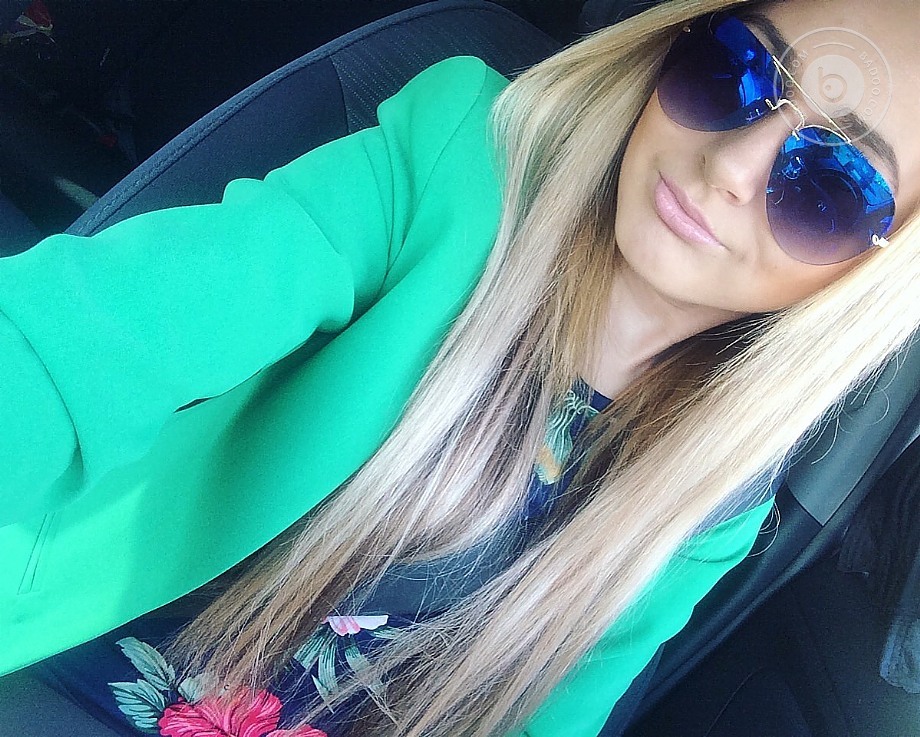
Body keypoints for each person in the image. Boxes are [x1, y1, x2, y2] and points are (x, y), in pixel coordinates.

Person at [1, 0, 919, 735]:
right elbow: (84, 341)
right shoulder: (457, 160)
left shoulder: (717, 495)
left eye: (834, 184)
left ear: (873, 280)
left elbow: (551, 714)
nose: (732, 165)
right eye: (735, 71)